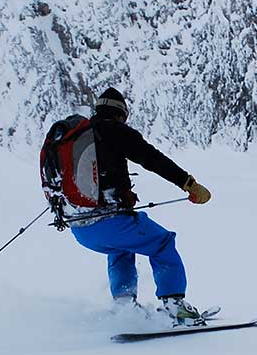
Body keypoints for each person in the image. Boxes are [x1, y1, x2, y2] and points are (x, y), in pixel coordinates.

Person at [65, 87, 213, 324]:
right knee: (163, 243)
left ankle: (124, 307)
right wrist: (189, 184)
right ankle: (175, 306)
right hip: (110, 220)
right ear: (121, 114)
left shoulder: (77, 138)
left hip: (80, 228)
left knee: (121, 248)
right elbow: (152, 159)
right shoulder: (114, 130)